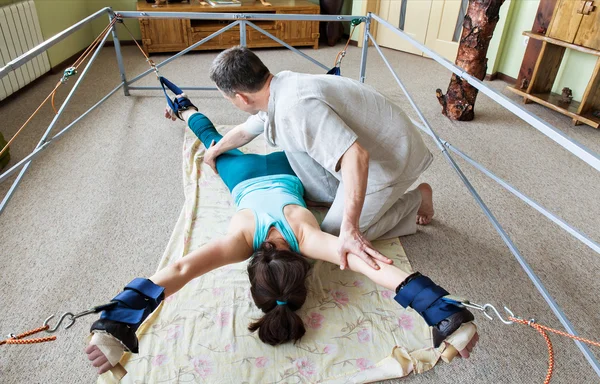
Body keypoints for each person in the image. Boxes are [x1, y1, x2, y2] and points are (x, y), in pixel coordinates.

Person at [84, 100, 477, 375]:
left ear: (301, 273)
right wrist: (117, 322)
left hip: (286, 169)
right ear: (254, 271)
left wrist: (440, 310)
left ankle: (183, 105)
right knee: (213, 139)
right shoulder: (242, 242)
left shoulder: (307, 241)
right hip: (259, 170)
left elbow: (369, 265)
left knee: (219, 141)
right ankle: (185, 107)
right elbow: (183, 269)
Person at [204, 46, 435, 271]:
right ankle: (335, 197)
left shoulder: (295, 109)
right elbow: (248, 129)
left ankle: (415, 201)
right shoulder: (277, 88)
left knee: (332, 237)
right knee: (292, 145)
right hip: (371, 143)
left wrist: (351, 228)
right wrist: (215, 150)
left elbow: (357, 155)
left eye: (229, 100)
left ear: (242, 98)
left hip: (389, 160)